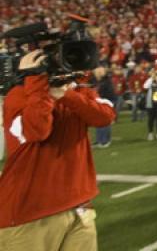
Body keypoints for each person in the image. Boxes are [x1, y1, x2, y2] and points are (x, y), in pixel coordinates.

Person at [0, 50, 116, 249]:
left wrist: (66, 95)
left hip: (79, 207)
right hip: (29, 213)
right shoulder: (17, 95)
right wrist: (37, 85)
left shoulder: (76, 91)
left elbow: (105, 117)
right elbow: (37, 130)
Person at [91, 65, 116, 148]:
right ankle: (99, 140)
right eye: (97, 71)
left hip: (106, 102)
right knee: (98, 122)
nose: (97, 73)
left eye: (100, 71)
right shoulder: (95, 81)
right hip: (99, 102)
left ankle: (105, 141)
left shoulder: (107, 81)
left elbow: (107, 93)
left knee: (105, 122)